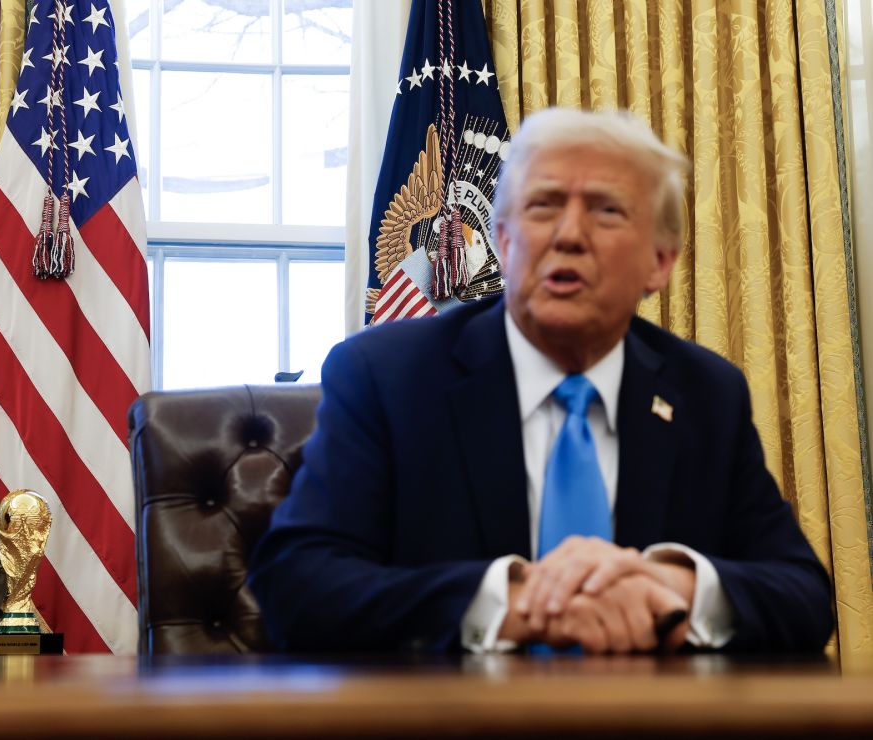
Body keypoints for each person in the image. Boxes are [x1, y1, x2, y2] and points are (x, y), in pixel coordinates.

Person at [248, 107, 834, 654]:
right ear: (503, 242)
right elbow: (297, 584)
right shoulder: (387, 377)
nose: (569, 235)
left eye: (607, 209)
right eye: (543, 206)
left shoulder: (706, 393)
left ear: (660, 261)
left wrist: (674, 586)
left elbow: (803, 593)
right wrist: (511, 601)